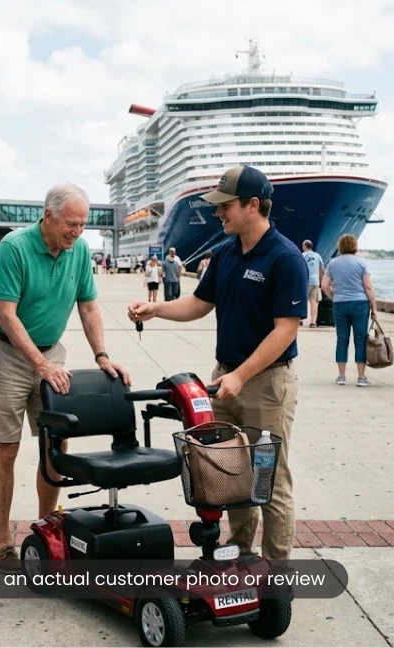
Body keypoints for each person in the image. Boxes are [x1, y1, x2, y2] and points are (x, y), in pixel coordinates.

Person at [128, 165, 308, 562]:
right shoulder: (224, 254)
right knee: (233, 474)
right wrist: (155, 309)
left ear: (253, 205)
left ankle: (276, 573)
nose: (218, 214)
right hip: (226, 379)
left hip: (265, 384)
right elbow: (198, 303)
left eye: (225, 206)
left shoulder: (285, 258)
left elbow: (285, 331)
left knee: (269, 481)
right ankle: (242, 553)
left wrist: (241, 376)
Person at [0, 182, 131, 573]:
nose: (77, 232)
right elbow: (6, 314)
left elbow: (89, 306)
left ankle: (47, 528)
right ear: (47, 216)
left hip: (50, 352)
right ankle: (2, 540)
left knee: (56, 446)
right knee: (7, 448)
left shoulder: (78, 250)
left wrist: (102, 356)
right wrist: (40, 366)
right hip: (6, 353)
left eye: (82, 225)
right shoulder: (14, 246)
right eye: (70, 224)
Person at [321, 234, 378, 387]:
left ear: (340, 246)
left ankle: (341, 376)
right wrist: (374, 307)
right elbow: (368, 287)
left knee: (342, 339)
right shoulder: (361, 263)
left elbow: (324, 285)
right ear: (354, 246)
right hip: (360, 304)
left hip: (340, 304)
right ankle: (361, 377)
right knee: (360, 340)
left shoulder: (333, 263)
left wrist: (334, 296)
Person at [302, 240, 325, 328]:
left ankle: (300, 319)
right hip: (315, 281)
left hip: (305, 281)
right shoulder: (317, 255)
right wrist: (322, 280)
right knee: (313, 302)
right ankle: (313, 322)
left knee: (302, 300)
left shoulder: (302, 255)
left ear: (304, 246)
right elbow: (322, 269)